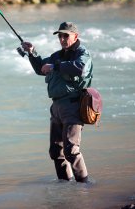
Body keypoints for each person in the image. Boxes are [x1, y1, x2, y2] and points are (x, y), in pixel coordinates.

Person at [21, 22, 93, 183]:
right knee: (56, 151)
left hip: (73, 106)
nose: (62, 38)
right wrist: (32, 53)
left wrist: (55, 66)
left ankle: (84, 187)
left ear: (76, 36)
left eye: (65, 35)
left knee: (71, 151)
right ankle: (65, 187)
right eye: (60, 36)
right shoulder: (57, 56)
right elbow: (42, 68)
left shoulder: (82, 53)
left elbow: (80, 68)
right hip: (56, 107)